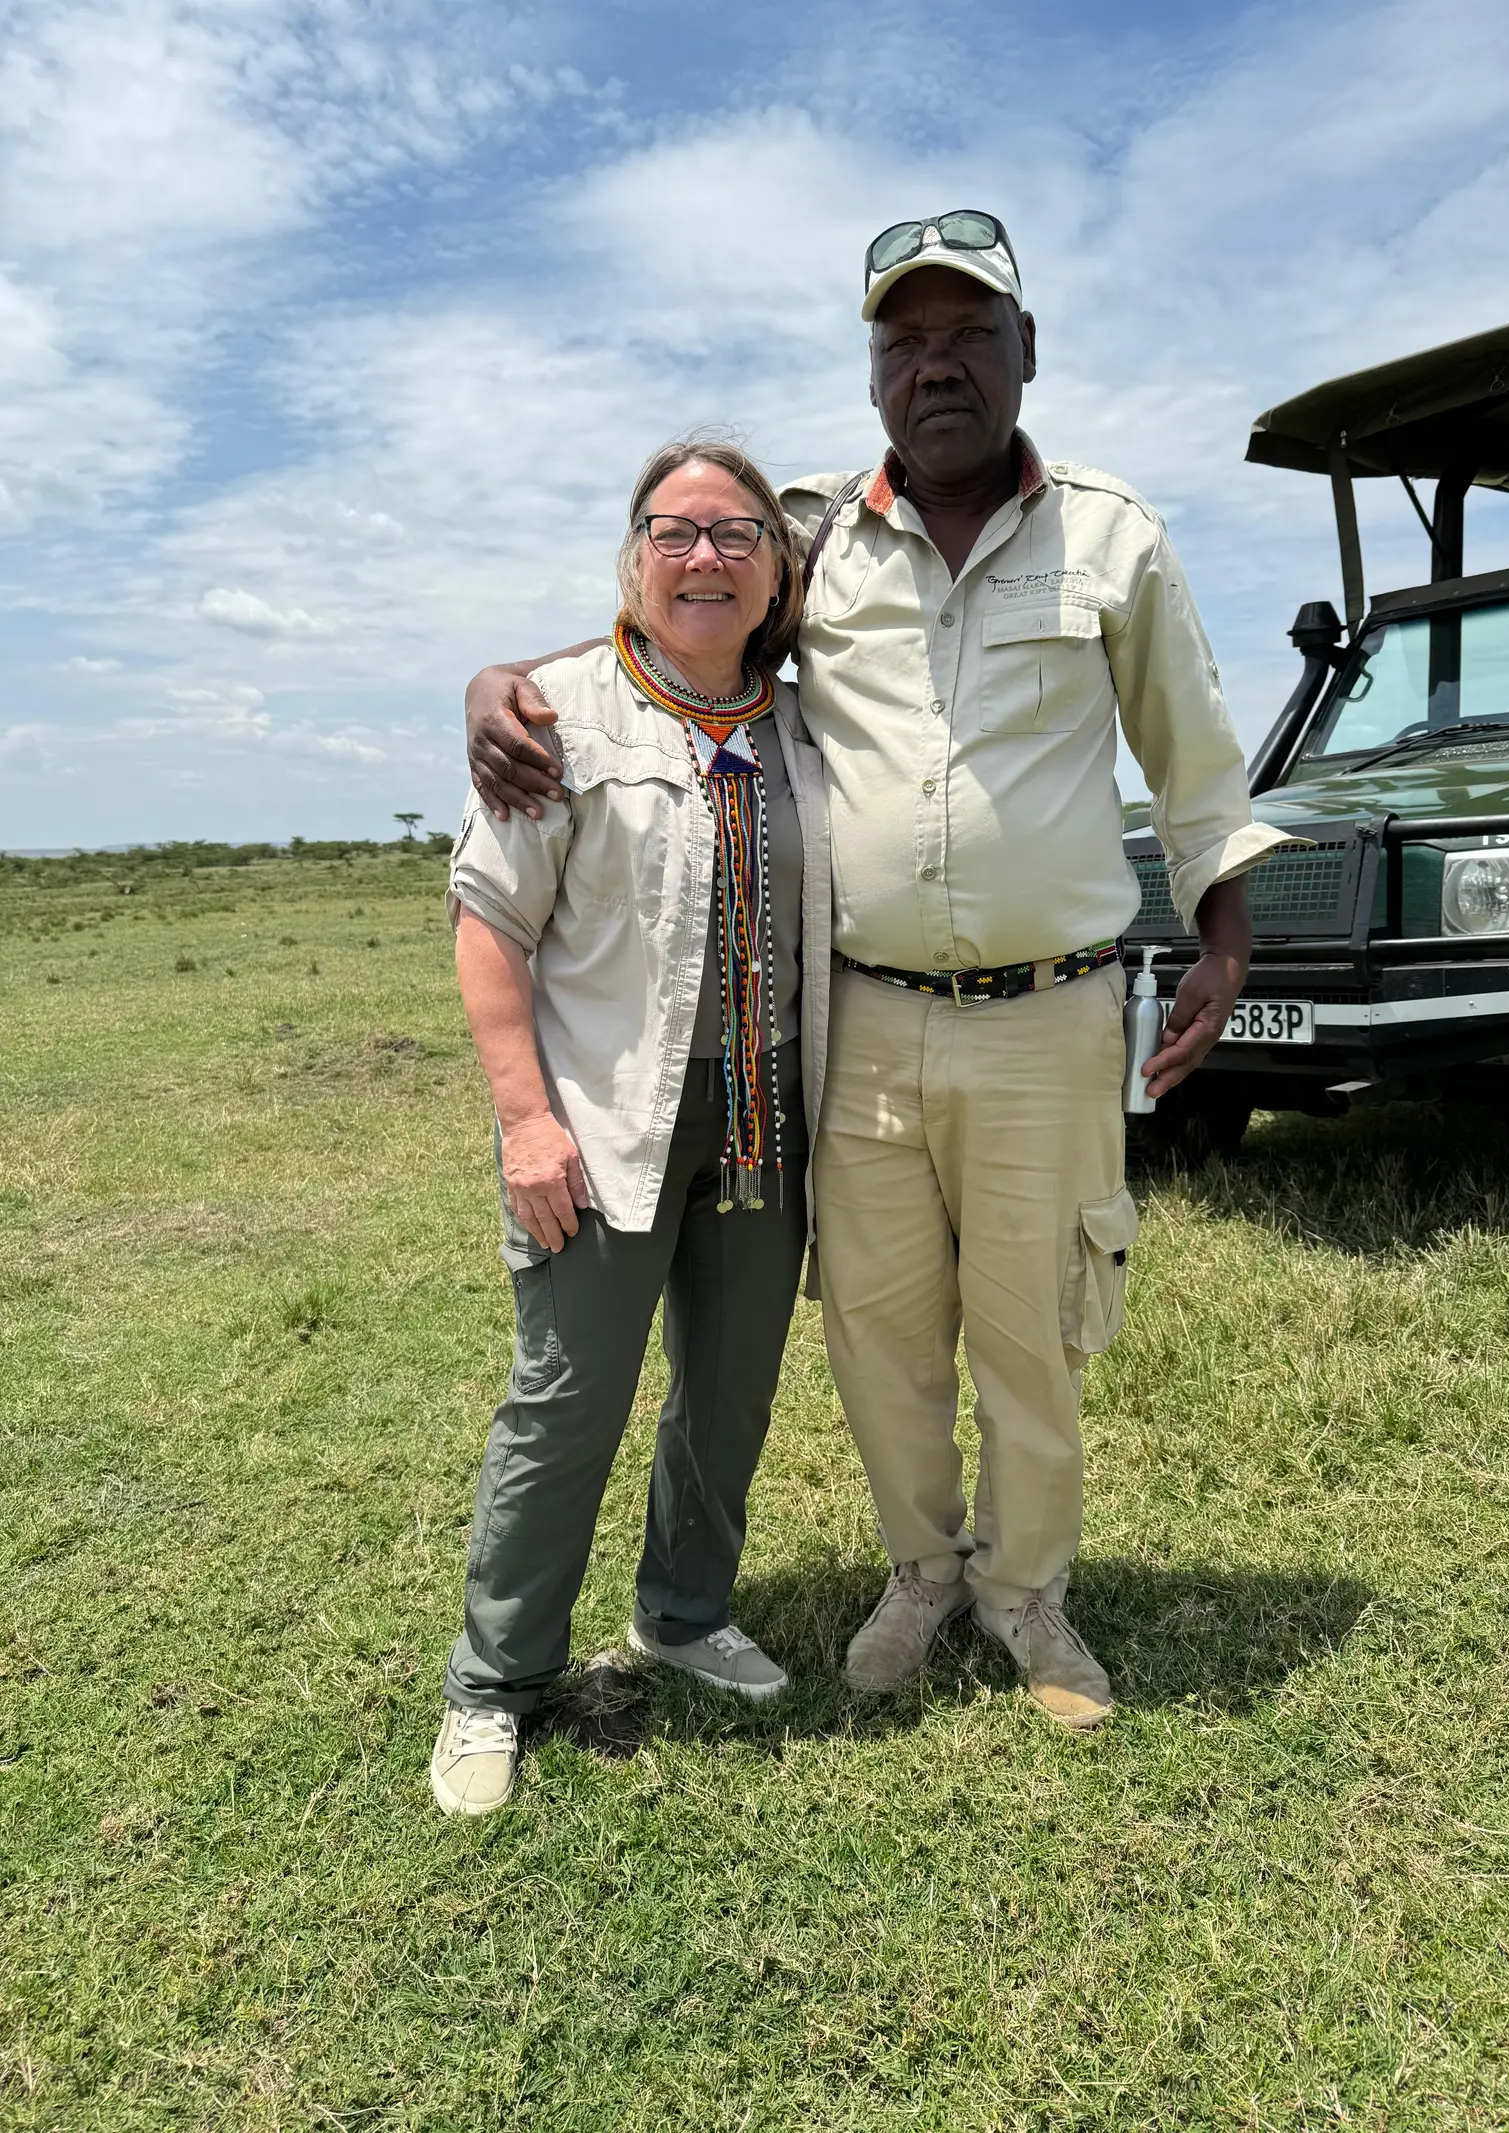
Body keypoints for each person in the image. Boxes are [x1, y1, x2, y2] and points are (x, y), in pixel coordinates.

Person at [463, 214, 1292, 1732]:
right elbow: (677, 630)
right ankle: (921, 1573)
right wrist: (499, 685)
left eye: (970, 334)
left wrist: (1224, 938)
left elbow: (1195, 762)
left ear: (1025, 352)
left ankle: (1028, 1596)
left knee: (1032, 1327)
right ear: (871, 376)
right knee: (882, 1329)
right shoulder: (816, 537)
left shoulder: (1117, 538)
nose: (940, 366)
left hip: (1049, 1015)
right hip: (856, 1023)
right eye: (905, 343)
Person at [431, 440, 830, 1816]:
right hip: (605, 1120)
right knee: (568, 1402)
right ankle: (496, 1681)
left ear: (780, 569)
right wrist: (525, 1121)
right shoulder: (558, 717)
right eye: (676, 532)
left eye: (737, 535)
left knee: (727, 1395)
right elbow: (490, 927)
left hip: (767, 1109)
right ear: (635, 557)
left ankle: (682, 1609)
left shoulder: (806, 722)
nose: (706, 556)